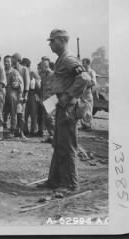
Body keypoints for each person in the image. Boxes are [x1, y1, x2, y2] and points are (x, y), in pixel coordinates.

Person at [38, 29, 91, 192]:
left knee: (67, 146)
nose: (50, 44)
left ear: (61, 40)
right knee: (58, 143)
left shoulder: (68, 59)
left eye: (52, 41)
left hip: (68, 107)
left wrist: (68, 95)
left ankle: (70, 183)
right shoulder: (61, 59)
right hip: (61, 106)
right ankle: (54, 180)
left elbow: (85, 78)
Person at [3, 55, 24, 138]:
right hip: (4, 92)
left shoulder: (14, 72)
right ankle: (3, 128)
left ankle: (13, 130)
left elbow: (18, 83)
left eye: (8, 61)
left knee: (13, 112)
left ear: (11, 62)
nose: (6, 63)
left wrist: (16, 85)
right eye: (5, 61)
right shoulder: (3, 71)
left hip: (12, 93)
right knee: (4, 112)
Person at [11, 53, 30, 138]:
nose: (12, 59)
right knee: (14, 113)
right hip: (13, 95)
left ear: (18, 59)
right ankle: (15, 131)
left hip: (21, 95)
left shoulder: (24, 69)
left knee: (21, 114)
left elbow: (27, 82)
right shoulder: (11, 69)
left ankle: (22, 132)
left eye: (13, 58)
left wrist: (25, 95)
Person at [22, 58, 41, 136]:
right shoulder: (23, 73)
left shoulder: (32, 72)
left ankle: (33, 130)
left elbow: (39, 79)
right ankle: (25, 129)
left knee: (33, 113)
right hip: (25, 93)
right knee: (25, 113)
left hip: (33, 93)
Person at [38, 58, 55, 143]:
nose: (41, 69)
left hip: (52, 99)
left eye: (41, 67)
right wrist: (41, 98)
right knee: (46, 119)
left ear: (46, 66)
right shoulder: (44, 76)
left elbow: (57, 88)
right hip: (45, 99)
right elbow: (42, 88)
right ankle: (51, 135)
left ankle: (55, 136)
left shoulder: (54, 75)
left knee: (51, 119)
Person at [80, 58, 97, 130]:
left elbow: (93, 82)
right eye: (82, 63)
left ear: (88, 63)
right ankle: (84, 125)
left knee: (88, 110)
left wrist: (85, 85)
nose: (82, 64)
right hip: (81, 94)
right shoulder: (82, 72)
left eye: (84, 63)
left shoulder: (91, 72)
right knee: (81, 110)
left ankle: (88, 126)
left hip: (87, 93)